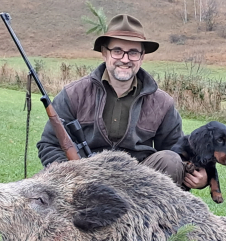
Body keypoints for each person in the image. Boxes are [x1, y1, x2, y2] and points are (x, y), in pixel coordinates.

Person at [37, 14, 207, 189]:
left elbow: (177, 151)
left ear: (142, 57)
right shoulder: (74, 94)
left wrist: (200, 177)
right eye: (117, 51)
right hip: (84, 181)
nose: (125, 59)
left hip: (140, 186)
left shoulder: (162, 103)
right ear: (104, 52)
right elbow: (49, 144)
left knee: (170, 160)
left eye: (133, 52)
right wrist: (75, 174)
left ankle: (150, 216)